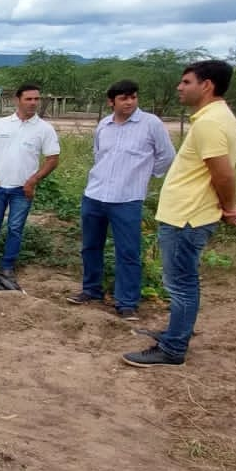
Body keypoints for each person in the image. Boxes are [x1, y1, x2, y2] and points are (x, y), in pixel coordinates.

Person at [123, 59, 236, 367]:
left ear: (207, 85)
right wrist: (225, 206)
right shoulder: (218, 118)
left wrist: (229, 207)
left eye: (186, 82)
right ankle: (176, 334)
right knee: (182, 282)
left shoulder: (209, 122)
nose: (179, 87)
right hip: (191, 213)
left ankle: (173, 348)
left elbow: (223, 174)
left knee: (181, 284)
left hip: (187, 218)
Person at [65, 80, 175, 320]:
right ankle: (91, 290)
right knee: (90, 247)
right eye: (124, 98)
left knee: (128, 252)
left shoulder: (150, 124)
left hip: (127, 198)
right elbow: (98, 155)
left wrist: (143, 175)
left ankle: (127, 302)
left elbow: (167, 156)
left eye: (133, 97)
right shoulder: (103, 125)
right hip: (95, 195)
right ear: (111, 102)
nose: (129, 102)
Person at [0, 83, 61, 278]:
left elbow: (53, 159)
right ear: (17, 100)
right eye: (28, 99)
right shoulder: (0, 124)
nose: (33, 103)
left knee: (15, 228)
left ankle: (7, 266)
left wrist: (33, 180)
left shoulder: (44, 129)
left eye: (36, 99)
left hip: (22, 190)